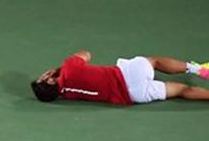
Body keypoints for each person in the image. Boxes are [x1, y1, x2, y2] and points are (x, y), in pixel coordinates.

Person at [31, 51, 209, 105]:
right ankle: (199, 69)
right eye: (43, 77)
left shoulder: (66, 94)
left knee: (181, 90)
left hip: (133, 96)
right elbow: (86, 54)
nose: (44, 74)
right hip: (127, 74)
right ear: (51, 79)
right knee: (154, 62)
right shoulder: (69, 68)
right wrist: (58, 69)